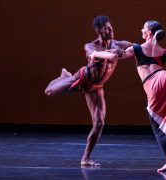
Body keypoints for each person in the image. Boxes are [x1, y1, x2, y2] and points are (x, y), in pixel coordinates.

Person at [98, 20, 166, 172]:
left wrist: (97, 53)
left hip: (152, 85)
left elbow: (117, 56)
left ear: (149, 33)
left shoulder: (137, 48)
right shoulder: (163, 52)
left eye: (143, 28)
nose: (141, 29)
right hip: (165, 78)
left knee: (156, 124)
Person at [45, 15, 132, 167]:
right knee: (49, 92)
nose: (110, 29)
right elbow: (95, 54)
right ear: (99, 31)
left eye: (110, 26)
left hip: (96, 88)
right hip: (82, 79)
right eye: (106, 28)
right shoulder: (90, 46)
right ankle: (64, 76)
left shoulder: (119, 43)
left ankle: (85, 159)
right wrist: (111, 53)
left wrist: (154, 45)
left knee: (99, 123)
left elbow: (139, 48)